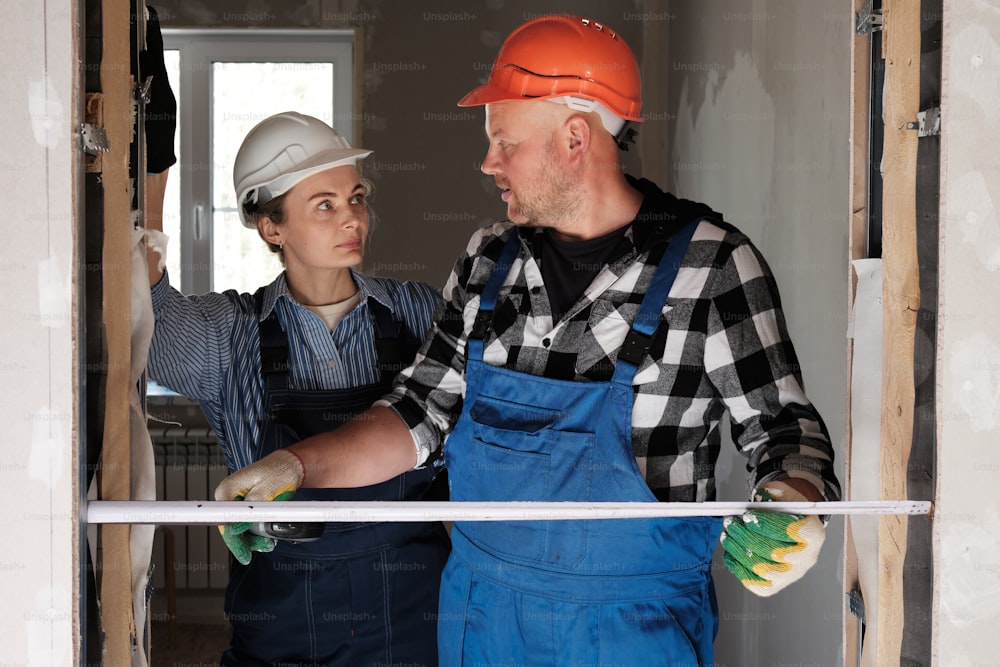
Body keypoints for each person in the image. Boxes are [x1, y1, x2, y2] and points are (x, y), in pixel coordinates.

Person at [214, 16, 842, 666]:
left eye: (504, 143)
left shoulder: (709, 267)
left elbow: (785, 431)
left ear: (575, 139)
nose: (488, 163)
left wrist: (793, 508)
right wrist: (298, 465)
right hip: (480, 623)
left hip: (632, 635)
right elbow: (418, 415)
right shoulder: (489, 260)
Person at [146, 111, 450, 666]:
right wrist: (152, 161)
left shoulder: (419, 314)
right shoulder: (229, 336)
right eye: (325, 205)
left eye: (356, 197)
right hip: (283, 629)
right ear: (271, 227)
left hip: (408, 622)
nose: (352, 217)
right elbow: (143, 311)